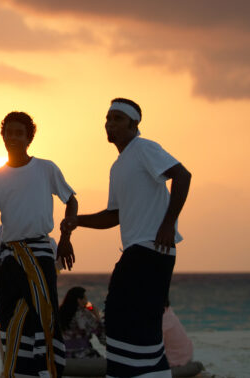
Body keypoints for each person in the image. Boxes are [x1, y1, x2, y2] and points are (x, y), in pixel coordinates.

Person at [59, 98, 192, 378]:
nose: (110, 124)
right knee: (136, 322)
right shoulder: (118, 166)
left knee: (121, 317)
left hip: (151, 249)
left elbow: (182, 175)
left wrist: (168, 224)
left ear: (134, 124)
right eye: (108, 118)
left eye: (118, 118)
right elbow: (114, 215)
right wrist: (77, 221)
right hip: (137, 249)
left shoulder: (144, 148)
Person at [0, 111, 77, 377]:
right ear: (2, 136)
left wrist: (67, 237)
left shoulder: (46, 168)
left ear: (29, 138)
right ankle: (16, 372)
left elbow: (71, 200)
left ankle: (48, 372)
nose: (12, 137)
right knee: (11, 321)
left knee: (44, 318)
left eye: (18, 133)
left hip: (40, 253)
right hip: (7, 258)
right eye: (8, 132)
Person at [59, 286, 106, 359]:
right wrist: (97, 315)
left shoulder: (59, 314)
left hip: (62, 356)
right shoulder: (84, 314)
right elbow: (103, 339)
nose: (87, 301)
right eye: (85, 298)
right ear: (79, 300)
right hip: (82, 356)